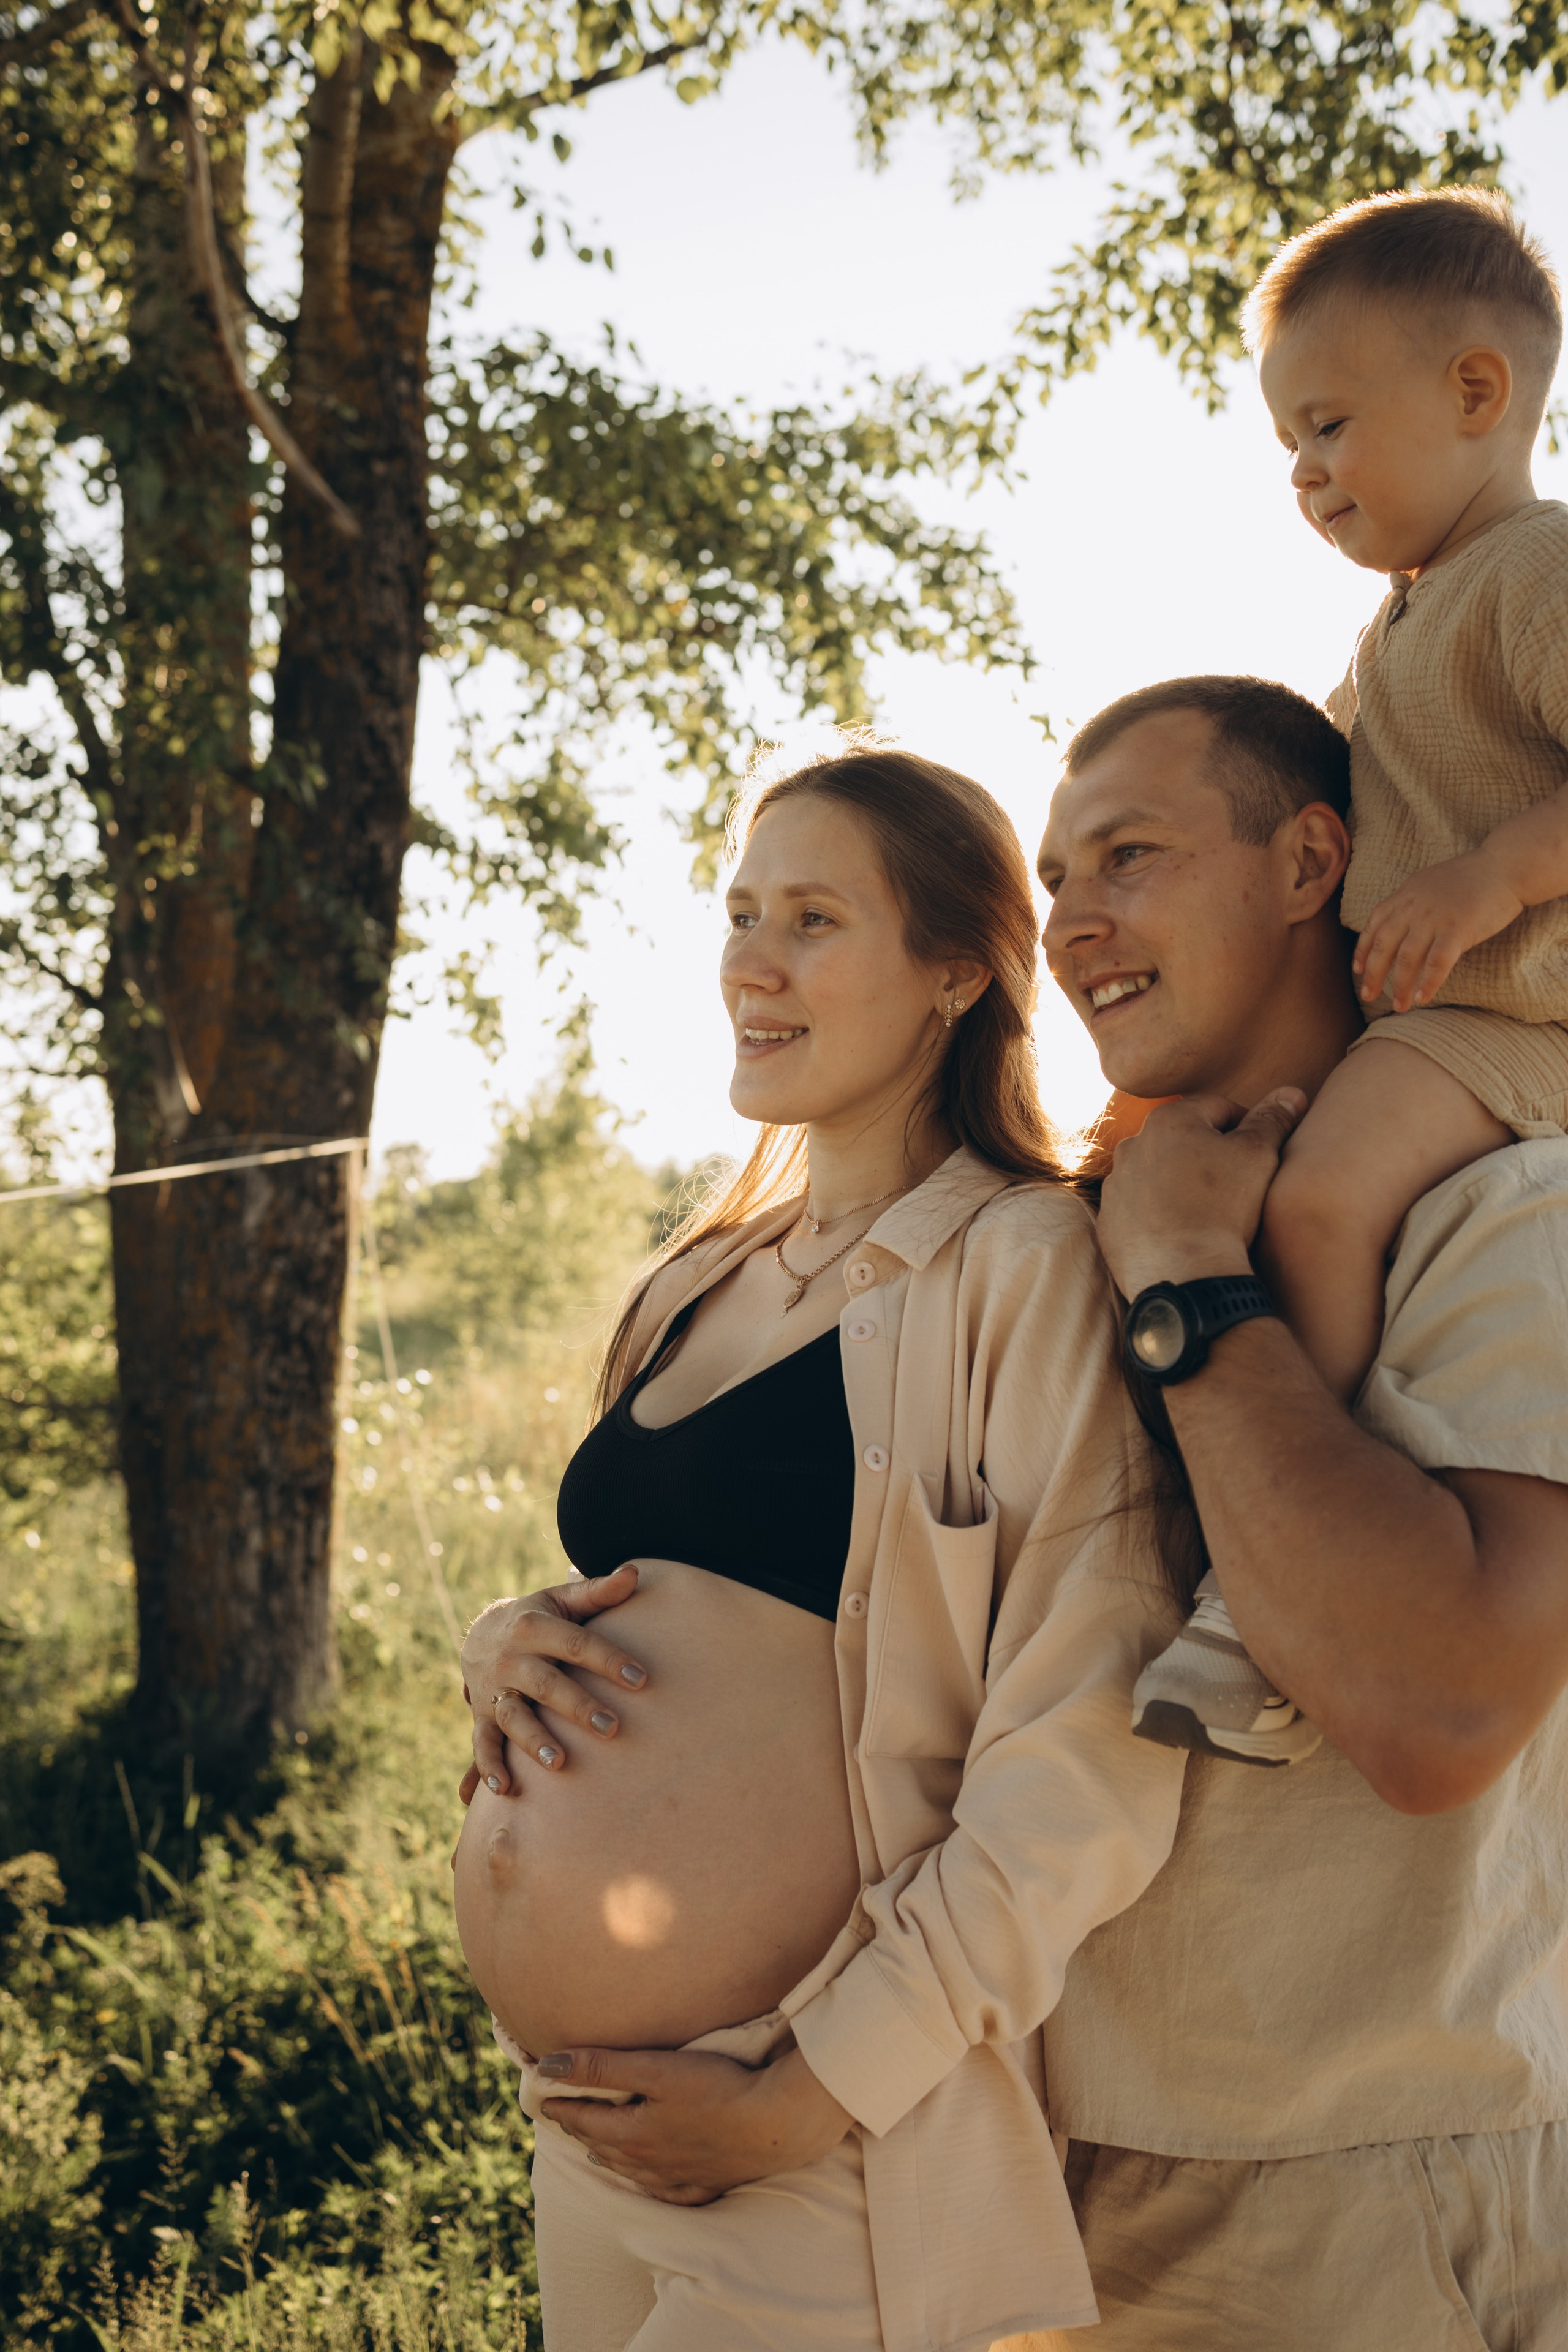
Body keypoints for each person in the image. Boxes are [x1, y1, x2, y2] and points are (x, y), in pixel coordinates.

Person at [451, 741, 1185, 2352]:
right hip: (580, 2129)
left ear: (949, 974)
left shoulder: (1020, 1269)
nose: (754, 965)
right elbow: (655, 1605)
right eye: (738, 914)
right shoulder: (695, 1280)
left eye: (813, 919)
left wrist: (811, 2090)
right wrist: (502, 1639)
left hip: (816, 2147)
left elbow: (1088, 1746)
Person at [1037, 674, 1568, 2350]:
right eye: (1053, 879)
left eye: (1126, 857)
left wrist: (1197, 1279)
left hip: (1369, 2194)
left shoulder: (1514, 1204)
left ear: (1308, 860)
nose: (1073, 921)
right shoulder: (1067, 1225)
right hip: (1042, 2178)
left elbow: (1439, 1706)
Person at [1137, 188, 1568, 1757]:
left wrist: (1484, 878)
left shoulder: (1533, 571)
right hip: (1449, 1019)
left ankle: (1260, 1588)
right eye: (1283, 449)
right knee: (1268, 1154)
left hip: (1527, 1017)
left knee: (1316, 1197)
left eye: (1325, 425)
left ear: (1475, 391)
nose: (1304, 473)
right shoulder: (1400, 627)